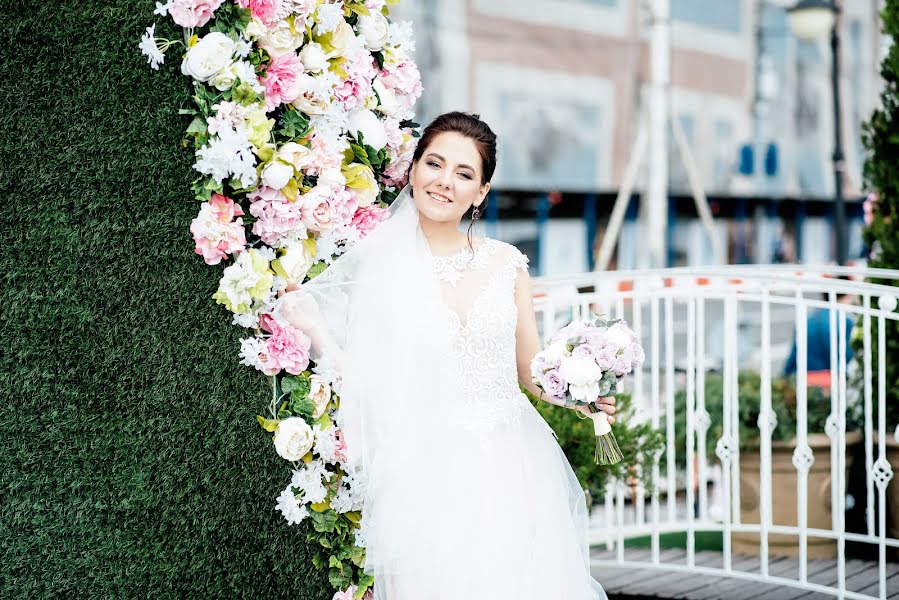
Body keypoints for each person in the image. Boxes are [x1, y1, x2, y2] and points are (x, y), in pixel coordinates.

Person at [276, 112, 612, 600]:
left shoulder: (506, 263)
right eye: (435, 163)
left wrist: (580, 393)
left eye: (464, 173)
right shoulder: (381, 268)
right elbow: (371, 381)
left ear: (481, 192)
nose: (445, 181)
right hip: (425, 468)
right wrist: (315, 330)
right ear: (413, 170)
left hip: (511, 462)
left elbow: (529, 371)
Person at [783, 285, 855, 376]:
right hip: (831, 380)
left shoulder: (808, 319)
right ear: (847, 296)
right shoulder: (846, 322)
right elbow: (847, 357)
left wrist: (784, 376)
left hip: (806, 378)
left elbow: (794, 355)